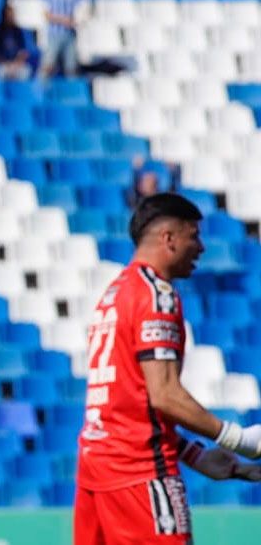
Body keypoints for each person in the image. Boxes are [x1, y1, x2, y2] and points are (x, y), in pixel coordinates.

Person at [74, 193, 261, 545]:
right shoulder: (156, 295)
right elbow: (164, 394)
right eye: (194, 236)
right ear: (169, 239)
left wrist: (196, 455)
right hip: (139, 474)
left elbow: (129, 403)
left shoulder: (115, 294)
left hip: (97, 472)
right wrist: (238, 438)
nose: (201, 247)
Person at [37, 0, 83, 81]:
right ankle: (39, 91)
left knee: (72, 67)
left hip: (70, 35)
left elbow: (81, 11)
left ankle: (73, 93)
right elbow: (46, 15)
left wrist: (75, 20)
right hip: (54, 34)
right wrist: (64, 20)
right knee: (47, 65)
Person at [0, 4, 31, 80]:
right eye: (7, 15)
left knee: (25, 72)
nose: (10, 17)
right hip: (2, 64)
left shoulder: (19, 31)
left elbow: (24, 52)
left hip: (17, 65)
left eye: (11, 15)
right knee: (0, 72)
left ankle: (19, 92)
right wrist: (7, 64)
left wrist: (16, 64)